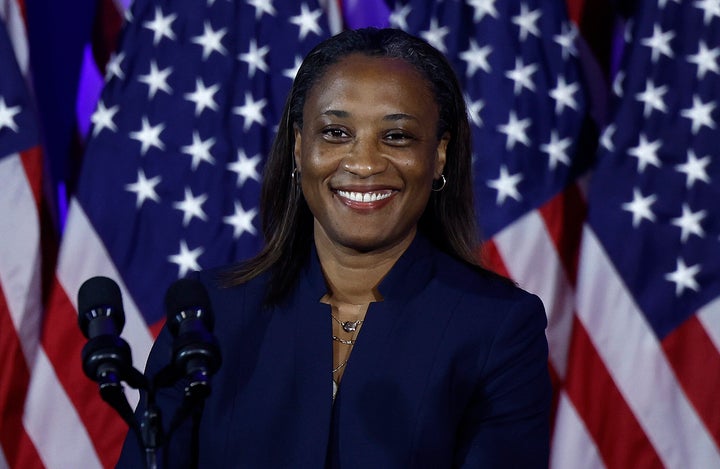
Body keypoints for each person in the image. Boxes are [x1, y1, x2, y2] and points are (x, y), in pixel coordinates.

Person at [116, 27, 552, 468]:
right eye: (336, 133)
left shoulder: (498, 327)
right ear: (300, 148)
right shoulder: (207, 317)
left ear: (438, 154)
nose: (363, 163)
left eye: (397, 136)